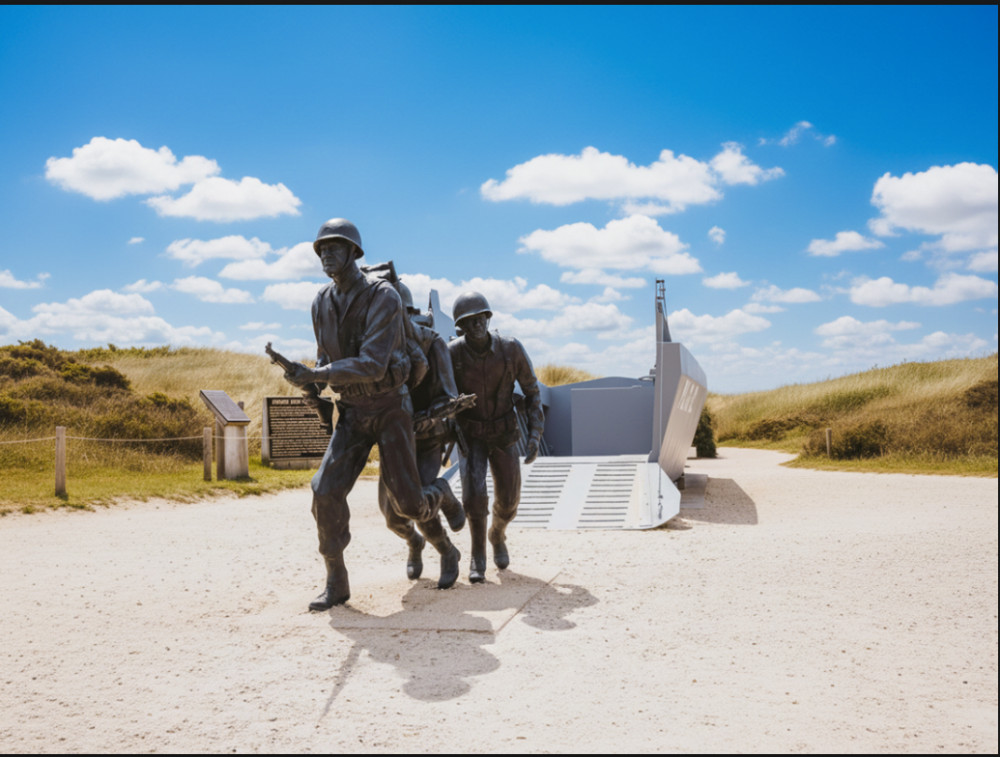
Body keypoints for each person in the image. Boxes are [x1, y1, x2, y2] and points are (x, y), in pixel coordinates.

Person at [282, 218, 462, 610]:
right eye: (322, 249)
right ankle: (337, 580)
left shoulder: (384, 297)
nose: (326, 254)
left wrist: (318, 373)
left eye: (335, 247)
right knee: (323, 491)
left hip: (389, 407)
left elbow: (374, 363)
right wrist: (309, 381)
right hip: (352, 411)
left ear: (354, 253)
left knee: (409, 504)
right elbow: (326, 358)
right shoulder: (320, 302)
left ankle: (445, 534)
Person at [372, 275, 467, 588]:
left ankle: (447, 549)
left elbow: (449, 397)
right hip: (393, 441)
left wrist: (423, 420)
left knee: (417, 503)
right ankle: (414, 543)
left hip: (427, 438)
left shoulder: (431, 342)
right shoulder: (375, 347)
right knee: (392, 516)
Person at [448, 291, 544, 583]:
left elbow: (532, 391)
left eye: (480, 318)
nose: (476, 325)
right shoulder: (452, 353)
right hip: (471, 433)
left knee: (509, 500)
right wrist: (453, 411)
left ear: (488, 318)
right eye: (468, 321)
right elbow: (442, 394)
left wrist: (535, 434)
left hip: (504, 432)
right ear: (460, 327)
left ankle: (497, 533)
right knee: (473, 496)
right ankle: (478, 555)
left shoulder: (511, 348)